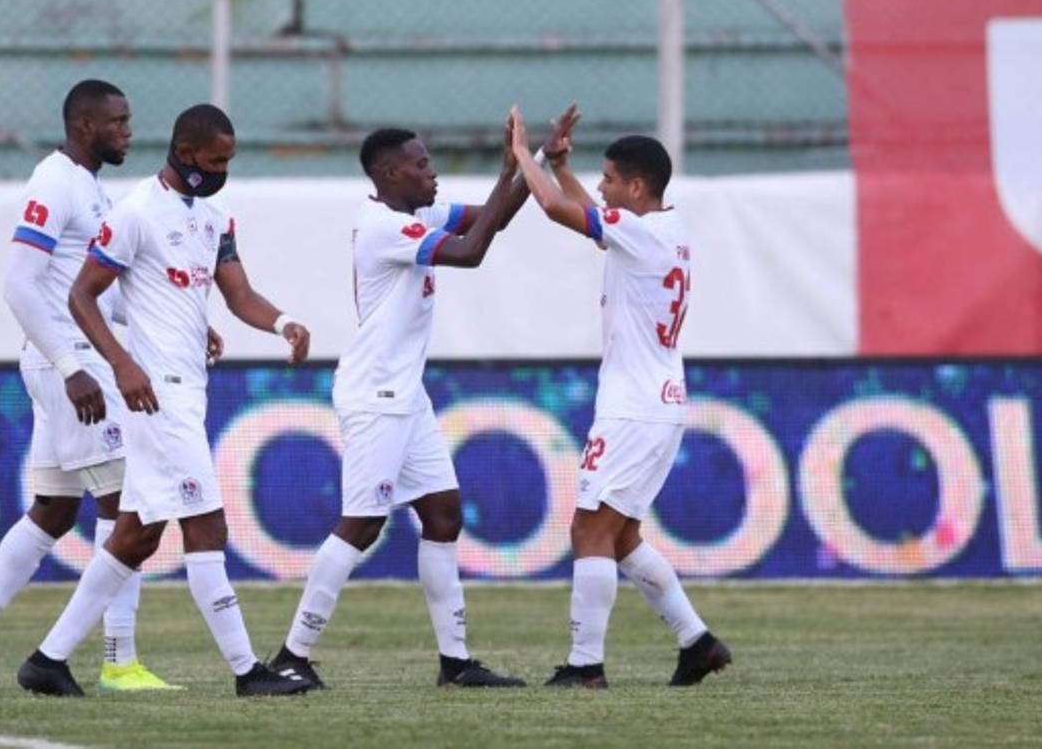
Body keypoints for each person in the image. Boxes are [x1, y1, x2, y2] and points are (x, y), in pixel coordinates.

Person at [14, 103, 312, 697]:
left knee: (137, 537)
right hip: (157, 396)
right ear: (185, 152)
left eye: (230, 159)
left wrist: (282, 323)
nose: (224, 169)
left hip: (188, 390)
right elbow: (82, 296)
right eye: (216, 159)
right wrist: (122, 364)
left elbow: (238, 292)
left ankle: (46, 661)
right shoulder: (135, 214)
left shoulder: (217, 215)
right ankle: (248, 671)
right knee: (207, 526)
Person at [266, 113, 566, 689]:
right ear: (387, 172)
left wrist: (532, 164)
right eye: (421, 163)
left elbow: (491, 221)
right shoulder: (383, 226)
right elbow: (473, 251)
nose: (432, 173)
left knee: (443, 514)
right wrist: (516, 168)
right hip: (376, 393)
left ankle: (454, 663)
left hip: (406, 394)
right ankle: (291, 654)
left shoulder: (414, 214)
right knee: (361, 524)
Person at [0, 79, 179, 693]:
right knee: (133, 509)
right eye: (117, 121)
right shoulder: (55, 182)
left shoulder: (89, 186)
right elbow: (19, 284)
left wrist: (175, 329)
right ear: (85, 125)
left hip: (67, 364)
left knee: (55, 511)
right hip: (71, 370)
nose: (128, 131)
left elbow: (92, 288)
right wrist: (72, 367)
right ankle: (118, 662)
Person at [509, 104, 731, 688]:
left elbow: (561, 211)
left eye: (609, 178)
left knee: (589, 531)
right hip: (658, 400)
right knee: (622, 536)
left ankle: (585, 667)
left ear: (636, 186)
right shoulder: (667, 228)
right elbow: (592, 211)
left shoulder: (641, 235)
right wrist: (560, 166)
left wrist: (522, 159)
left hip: (633, 407)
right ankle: (697, 641)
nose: (602, 188)